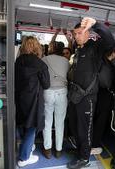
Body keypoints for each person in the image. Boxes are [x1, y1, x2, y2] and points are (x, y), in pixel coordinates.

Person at [67, 17, 115, 169]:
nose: (76, 36)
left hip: (87, 98)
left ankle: (84, 158)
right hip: (75, 96)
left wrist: (96, 24)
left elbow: (110, 42)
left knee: (85, 129)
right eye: (75, 34)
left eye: (79, 33)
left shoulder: (95, 48)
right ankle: (80, 151)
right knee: (74, 126)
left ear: (88, 33)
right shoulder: (79, 49)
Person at [15, 36, 50, 167]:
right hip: (34, 101)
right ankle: (24, 158)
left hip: (19, 99)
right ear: (37, 47)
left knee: (23, 124)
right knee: (32, 127)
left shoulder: (18, 62)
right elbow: (46, 85)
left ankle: (27, 146)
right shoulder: (40, 64)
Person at [41, 41, 69, 159]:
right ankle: (58, 150)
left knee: (47, 122)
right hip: (62, 92)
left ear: (51, 48)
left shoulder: (44, 59)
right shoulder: (66, 61)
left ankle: (47, 149)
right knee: (60, 122)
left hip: (47, 91)